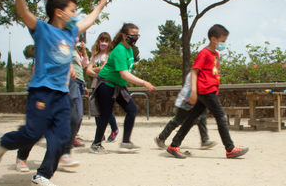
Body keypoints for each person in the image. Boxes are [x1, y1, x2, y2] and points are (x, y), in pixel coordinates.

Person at [0, 0, 107, 186]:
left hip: (61, 94)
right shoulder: (42, 29)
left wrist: (100, 6)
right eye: (72, 11)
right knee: (33, 133)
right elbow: (24, 12)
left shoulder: (70, 33)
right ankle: (4, 142)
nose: (75, 16)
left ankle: (42, 176)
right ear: (59, 12)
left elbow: (88, 22)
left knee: (62, 136)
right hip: (41, 91)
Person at [166, 24, 249, 159]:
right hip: (205, 91)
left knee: (192, 118)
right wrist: (193, 91)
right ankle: (230, 149)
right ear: (213, 39)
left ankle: (174, 145)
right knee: (221, 117)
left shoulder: (215, 54)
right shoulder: (204, 53)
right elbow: (194, 71)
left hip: (210, 91)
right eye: (222, 41)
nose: (224, 44)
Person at [89, 23, 156, 154]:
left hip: (118, 85)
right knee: (106, 114)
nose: (135, 38)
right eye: (132, 35)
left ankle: (125, 142)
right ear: (124, 36)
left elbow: (124, 75)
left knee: (132, 110)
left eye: (137, 36)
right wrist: (144, 83)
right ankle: (96, 144)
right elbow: (124, 74)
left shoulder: (129, 49)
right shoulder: (119, 50)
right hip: (106, 84)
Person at [154, 72, 217, 150]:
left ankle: (204, 140)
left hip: (195, 101)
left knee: (202, 117)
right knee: (177, 121)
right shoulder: (195, 74)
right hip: (185, 101)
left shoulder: (201, 74)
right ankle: (160, 138)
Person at [86, 32, 119, 142]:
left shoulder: (109, 55)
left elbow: (103, 68)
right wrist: (98, 73)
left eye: (106, 41)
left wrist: (94, 70)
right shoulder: (94, 56)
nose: (104, 43)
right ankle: (100, 134)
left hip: (106, 85)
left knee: (106, 110)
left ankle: (114, 129)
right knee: (96, 110)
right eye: (102, 40)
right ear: (98, 42)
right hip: (95, 85)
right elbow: (87, 71)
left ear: (109, 43)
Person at [70, 40, 89, 147]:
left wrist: (83, 49)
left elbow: (84, 64)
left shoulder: (75, 52)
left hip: (79, 82)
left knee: (79, 113)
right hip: (72, 82)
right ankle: (70, 138)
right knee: (76, 112)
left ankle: (72, 136)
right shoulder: (65, 50)